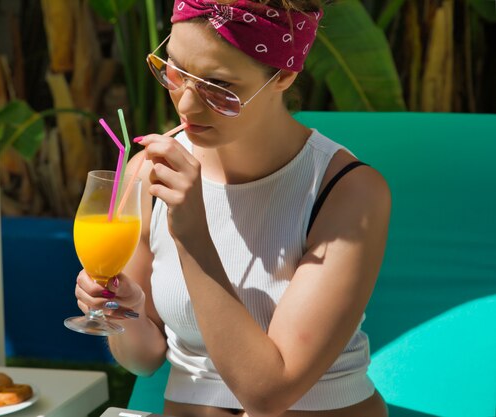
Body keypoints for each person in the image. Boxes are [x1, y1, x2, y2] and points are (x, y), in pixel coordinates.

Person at [74, 0, 391, 416]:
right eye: (174, 71)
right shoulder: (148, 172)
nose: (186, 105)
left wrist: (192, 234)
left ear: (283, 76)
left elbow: (267, 395)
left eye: (218, 87)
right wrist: (127, 310)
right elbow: (144, 360)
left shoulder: (347, 192)